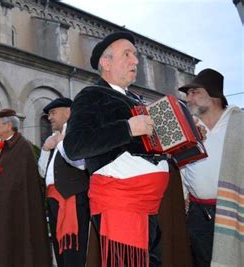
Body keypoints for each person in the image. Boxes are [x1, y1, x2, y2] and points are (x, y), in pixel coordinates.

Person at [63, 32, 170, 266]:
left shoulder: (136, 100)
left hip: (149, 204)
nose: (136, 61)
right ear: (106, 62)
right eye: (127, 54)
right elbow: (74, 145)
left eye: (135, 55)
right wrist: (127, 128)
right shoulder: (91, 96)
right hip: (121, 203)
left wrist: (181, 142)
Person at [178, 68, 243, 267]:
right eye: (187, 94)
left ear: (213, 95)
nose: (188, 98)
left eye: (194, 92)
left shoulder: (239, 124)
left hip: (235, 210)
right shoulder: (188, 130)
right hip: (198, 213)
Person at [0, 109, 51, 267]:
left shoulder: (22, 148)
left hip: (15, 211)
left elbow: (21, 185)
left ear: (9, 125)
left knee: (13, 248)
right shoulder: (1, 150)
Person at [37, 97, 90, 267]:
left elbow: (81, 164)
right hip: (54, 200)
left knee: (74, 252)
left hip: (73, 199)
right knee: (60, 250)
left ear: (68, 112)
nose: (49, 117)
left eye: (53, 113)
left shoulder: (76, 133)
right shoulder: (55, 138)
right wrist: (45, 149)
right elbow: (42, 172)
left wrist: (61, 144)